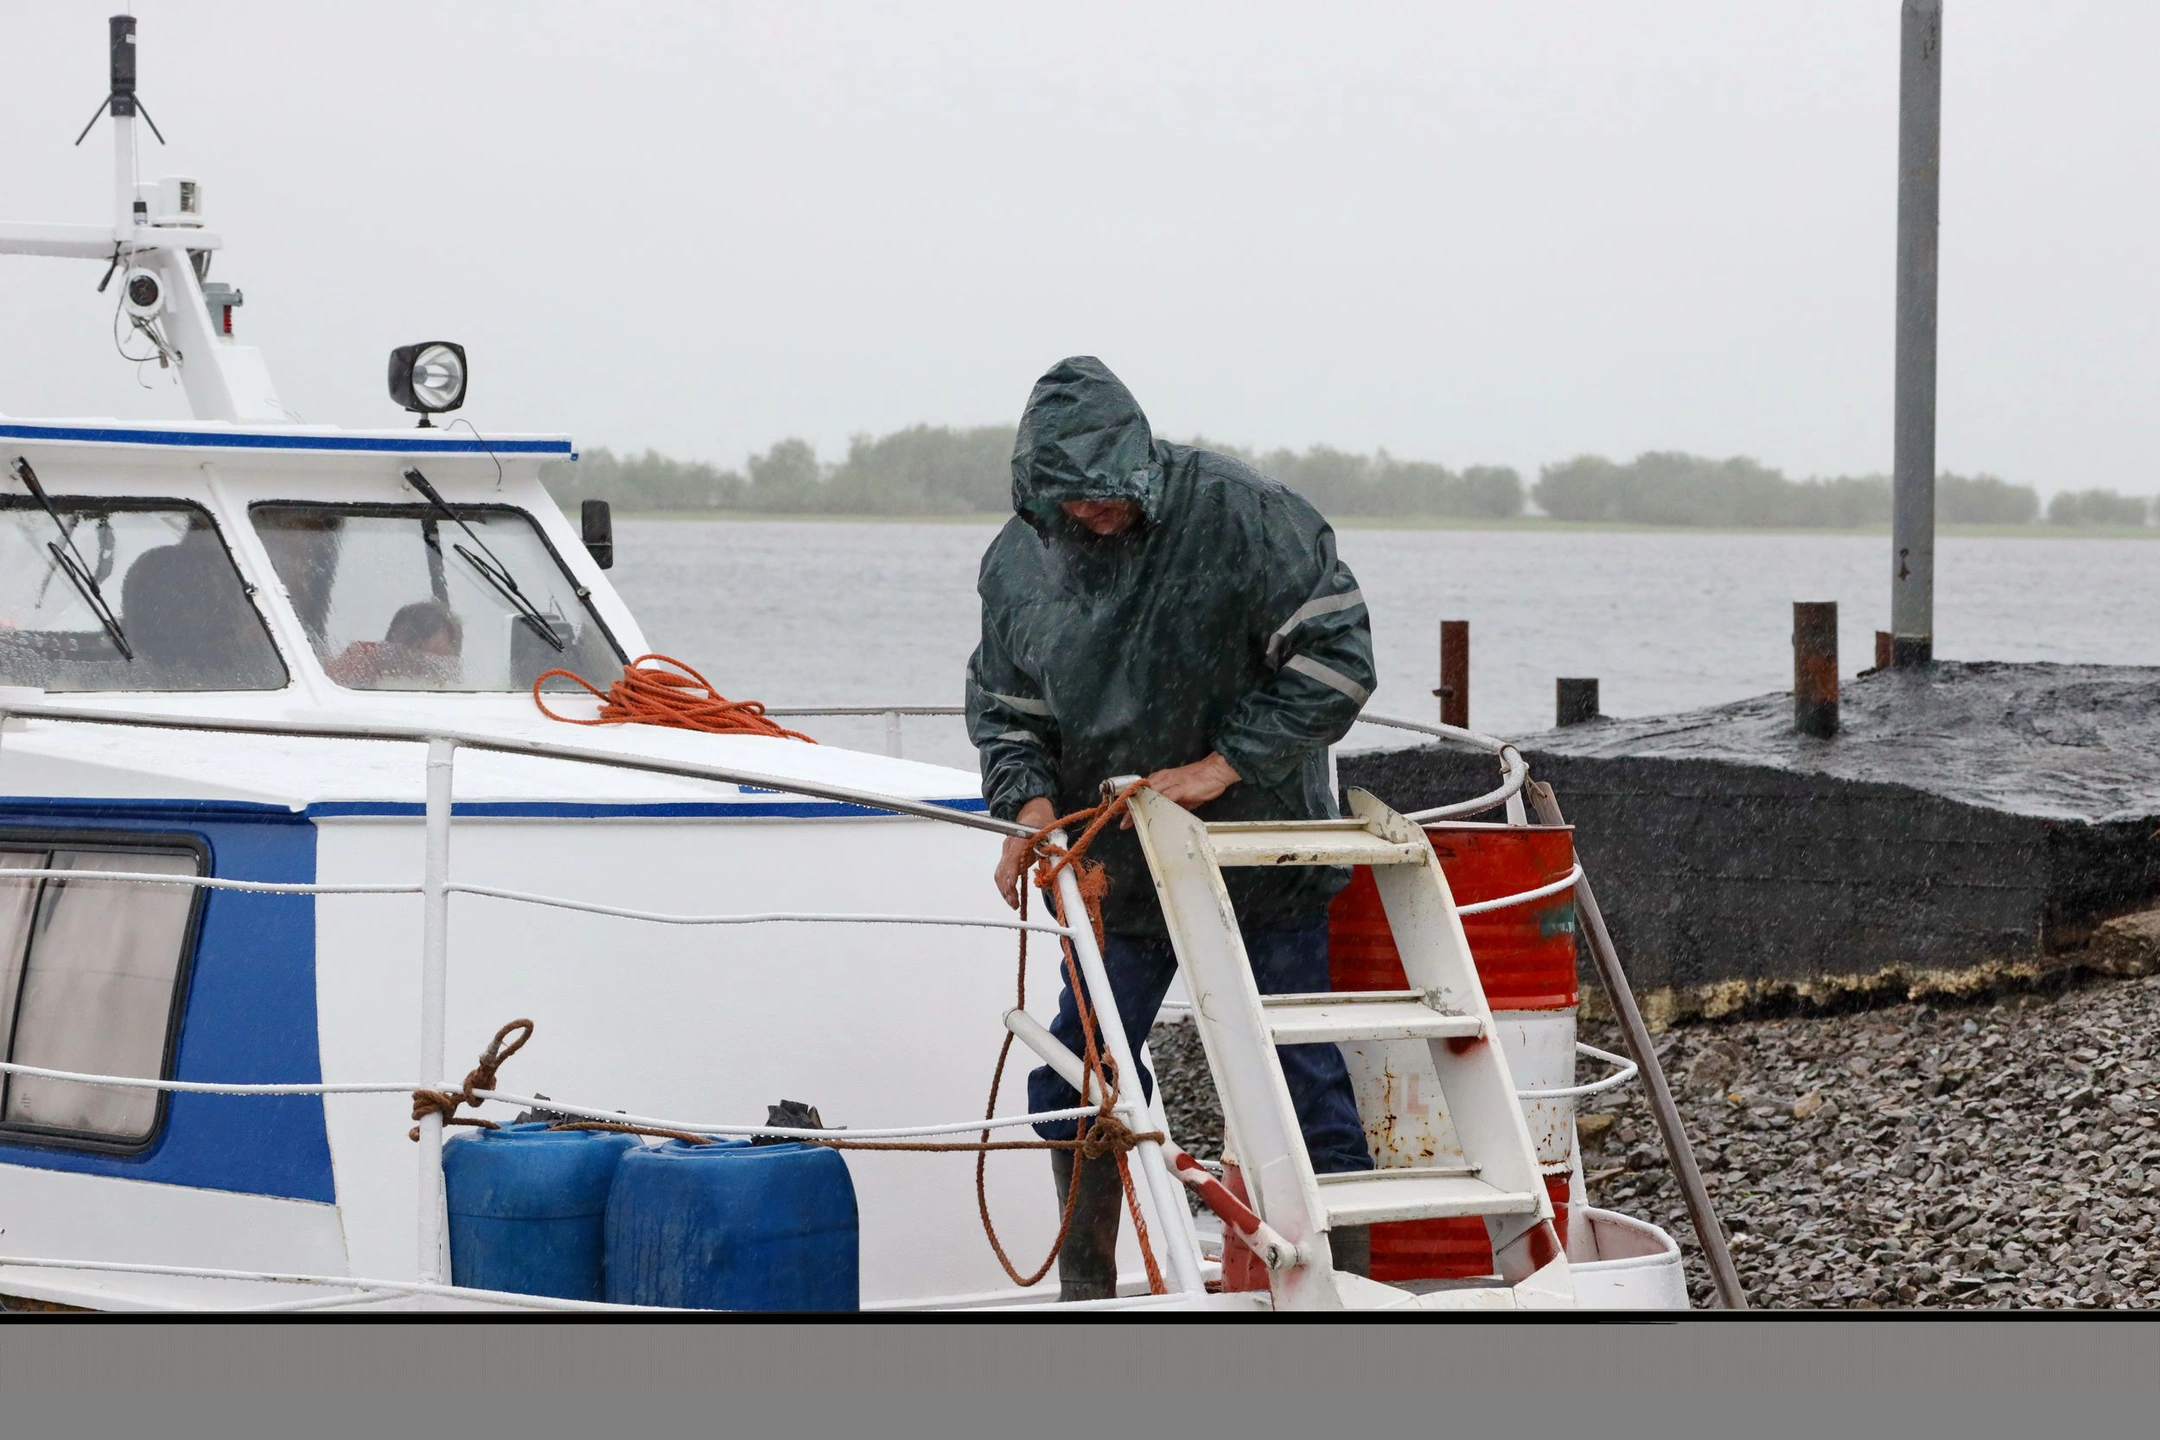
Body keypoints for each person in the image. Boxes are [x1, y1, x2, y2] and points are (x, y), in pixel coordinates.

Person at [966, 355, 1378, 1299]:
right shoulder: (1015, 561)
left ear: (1144, 466)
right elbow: (1003, 707)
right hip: (1114, 873)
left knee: (1300, 1083)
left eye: (1112, 496)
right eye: (1075, 502)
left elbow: (1340, 658)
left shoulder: (1247, 513)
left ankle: (1345, 1306)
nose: (1097, 514)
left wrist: (1221, 765)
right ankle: (1089, 1295)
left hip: (1264, 859)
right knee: (1074, 1077)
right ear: (1039, 495)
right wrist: (1025, 803)